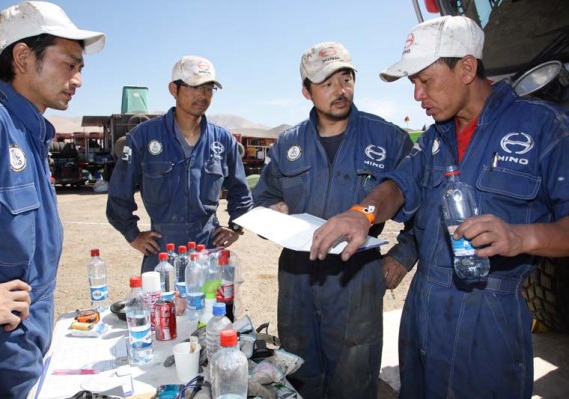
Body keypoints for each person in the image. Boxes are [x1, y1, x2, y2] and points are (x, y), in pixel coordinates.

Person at [310, 16, 569, 399]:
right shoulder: (434, 137)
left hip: (491, 318)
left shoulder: (545, 127)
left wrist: (521, 236)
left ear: (466, 68)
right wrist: (361, 213)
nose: (417, 95)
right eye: (413, 83)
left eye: (424, 80)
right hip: (424, 310)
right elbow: (397, 185)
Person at [252, 41, 417, 398]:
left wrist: (403, 257)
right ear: (305, 90)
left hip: (355, 282)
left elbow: (425, 206)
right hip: (296, 281)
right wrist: (276, 211)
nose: (339, 90)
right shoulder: (287, 144)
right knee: (299, 377)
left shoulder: (387, 138)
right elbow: (263, 197)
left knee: (353, 384)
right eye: (326, 83)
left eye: (346, 78)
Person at [0, 2, 105, 397]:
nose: (78, 79)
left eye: (80, 68)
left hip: (24, 353)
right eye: (69, 64)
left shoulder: (29, 132)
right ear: (24, 57)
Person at [107, 55, 253, 272]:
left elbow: (241, 192)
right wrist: (133, 235)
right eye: (194, 87)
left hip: (208, 250)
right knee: (162, 306)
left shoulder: (223, 141)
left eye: (208, 88)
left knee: (213, 305)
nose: (202, 95)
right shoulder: (144, 137)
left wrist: (236, 227)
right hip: (162, 251)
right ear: (173, 89)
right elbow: (119, 195)